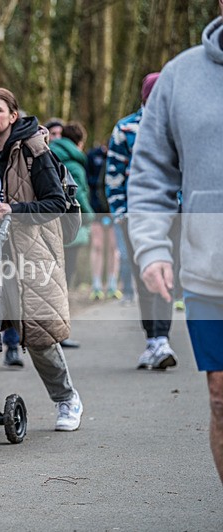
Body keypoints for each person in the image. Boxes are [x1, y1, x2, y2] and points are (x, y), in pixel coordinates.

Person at [127, 3, 223, 484]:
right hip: (212, 274)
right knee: (221, 398)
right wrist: (152, 248)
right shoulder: (181, 76)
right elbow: (149, 174)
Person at [0, 88, 83, 432]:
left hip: (30, 252)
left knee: (40, 335)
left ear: (13, 116)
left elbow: (56, 203)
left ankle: (67, 400)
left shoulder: (35, 151)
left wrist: (15, 209)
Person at [105, 72, 179, 370]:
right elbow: (114, 175)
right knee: (143, 275)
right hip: (135, 216)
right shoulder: (126, 128)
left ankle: (162, 338)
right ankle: (152, 339)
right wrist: (120, 213)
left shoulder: (177, 126)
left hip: (172, 213)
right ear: (145, 98)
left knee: (167, 273)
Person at [51, 121, 94, 287]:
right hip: (69, 224)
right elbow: (79, 195)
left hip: (51, 222)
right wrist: (90, 215)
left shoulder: (50, 156)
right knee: (67, 272)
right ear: (80, 143)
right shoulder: (75, 166)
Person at [86, 143, 128, 302]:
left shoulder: (119, 157)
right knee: (97, 246)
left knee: (113, 247)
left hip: (114, 209)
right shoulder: (92, 156)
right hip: (97, 209)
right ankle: (96, 285)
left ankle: (112, 285)